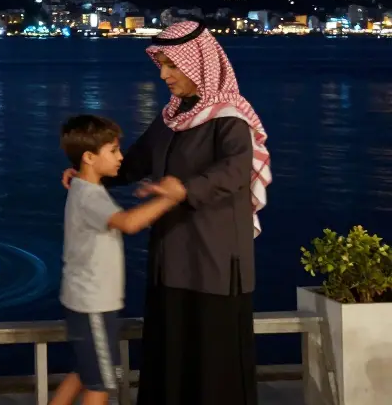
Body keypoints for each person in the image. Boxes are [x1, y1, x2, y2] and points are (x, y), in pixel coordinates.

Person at [61, 21, 271, 405]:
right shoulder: (172, 117)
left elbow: (236, 171)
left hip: (215, 261)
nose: (164, 75)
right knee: (170, 354)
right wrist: (88, 175)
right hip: (171, 257)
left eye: (171, 66)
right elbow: (133, 163)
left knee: (212, 359)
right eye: (160, 65)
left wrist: (185, 190)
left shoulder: (229, 118)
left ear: (199, 64)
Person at [51, 115, 179, 405]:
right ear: (89, 157)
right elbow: (129, 222)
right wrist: (169, 199)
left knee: (85, 373)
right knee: (100, 384)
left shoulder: (85, 190)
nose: (121, 157)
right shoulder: (90, 196)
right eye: (113, 150)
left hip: (86, 301)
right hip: (93, 303)